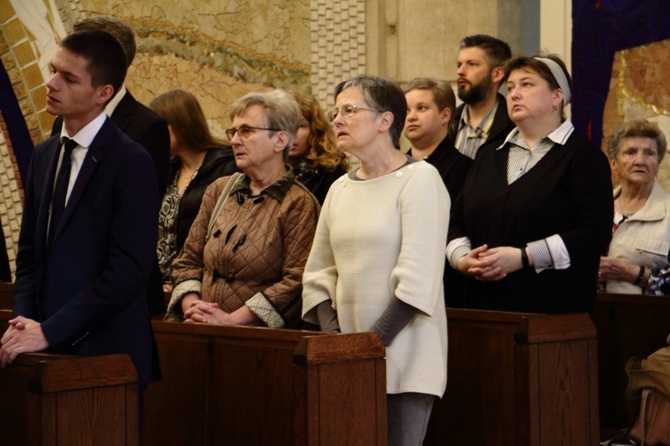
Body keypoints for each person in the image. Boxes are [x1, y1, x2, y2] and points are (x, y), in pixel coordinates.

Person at [0, 30, 161, 394]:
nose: (51, 83)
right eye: (54, 70)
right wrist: (24, 321)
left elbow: (127, 273)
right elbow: (28, 256)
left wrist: (51, 330)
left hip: (105, 355)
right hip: (42, 351)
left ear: (103, 93)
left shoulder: (130, 161)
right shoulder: (44, 155)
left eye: (69, 78)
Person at [301, 75, 449, 446]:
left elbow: (418, 277)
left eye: (349, 110)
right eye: (336, 111)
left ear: (385, 121)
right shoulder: (340, 187)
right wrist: (337, 343)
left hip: (405, 357)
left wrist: (368, 346)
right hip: (348, 356)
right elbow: (319, 272)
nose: (336, 119)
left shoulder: (420, 179)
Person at [446, 54, 613, 314]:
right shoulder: (489, 154)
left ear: (557, 97)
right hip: (482, 311)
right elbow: (455, 221)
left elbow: (594, 234)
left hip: (550, 317)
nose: (514, 94)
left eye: (526, 85)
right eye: (510, 87)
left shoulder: (583, 157)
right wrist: (462, 259)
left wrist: (524, 257)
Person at [164, 90, 319, 328]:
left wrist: (230, 320)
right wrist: (193, 307)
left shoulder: (298, 203)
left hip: (257, 346)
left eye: (246, 131)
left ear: (280, 140)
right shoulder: (219, 190)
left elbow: (296, 281)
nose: (235, 140)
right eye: (233, 131)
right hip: (198, 330)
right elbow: (188, 260)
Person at [50, 15, 170, 315]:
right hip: (63, 288)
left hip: (119, 294)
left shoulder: (147, 126)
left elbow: (135, 223)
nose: (53, 83)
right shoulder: (60, 124)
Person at [150, 89, 238, 293]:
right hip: (163, 286)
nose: (153, 136)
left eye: (159, 128)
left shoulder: (226, 166)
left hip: (203, 286)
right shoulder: (167, 170)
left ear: (181, 126)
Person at [403, 77, 472, 307]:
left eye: (421, 108)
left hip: (440, 285)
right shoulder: (393, 167)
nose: (411, 116)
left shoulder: (463, 168)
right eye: (406, 110)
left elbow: (449, 228)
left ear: (445, 115)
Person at [599, 119, 670, 294]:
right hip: (588, 317)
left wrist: (634, 274)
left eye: (649, 153)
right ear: (614, 163)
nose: (640, 161)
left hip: (648, 318)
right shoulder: (595, 208)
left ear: (658, 163)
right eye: (630, 152)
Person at [449, 34, 515, 159]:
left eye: (472, 64)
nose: (460, 71)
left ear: (497, 74)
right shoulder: (445, 124)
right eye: (459, 65)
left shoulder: (514, 128)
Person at [289, 89, 349, 204]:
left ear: (314, 130)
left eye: (300, 126)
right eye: (283, 125)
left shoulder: (331, 174)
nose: (291, 133)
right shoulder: (259, 173)